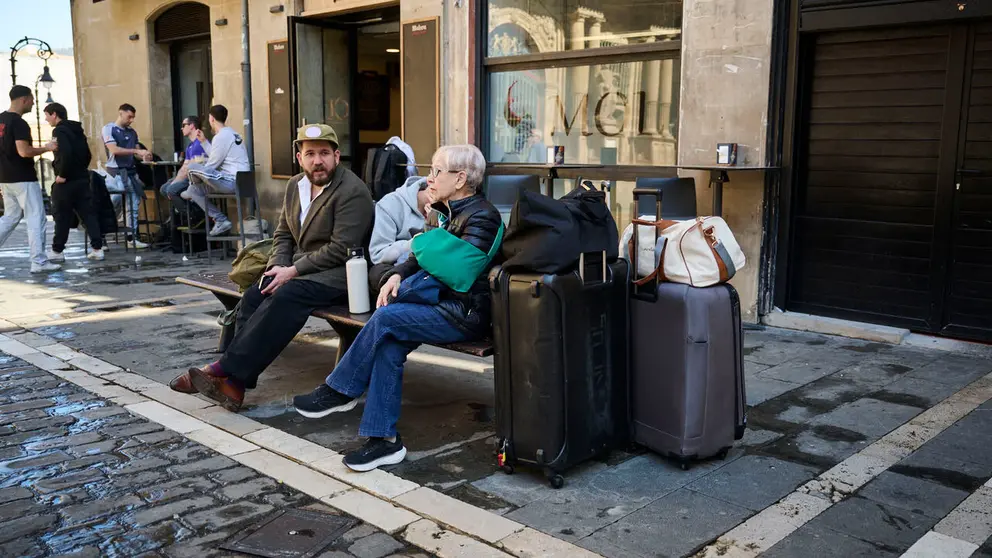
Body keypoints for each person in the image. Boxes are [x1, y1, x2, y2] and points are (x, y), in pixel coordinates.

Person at [293, 144, 502, 472]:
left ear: (461, 179)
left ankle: (340, 389)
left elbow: (457, 269)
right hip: (436, 305)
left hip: (463, 314)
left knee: (386, 318)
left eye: (437, 171)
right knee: (388, 344)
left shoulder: (484, 216)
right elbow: (421, 257)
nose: (429, 178)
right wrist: (398, 274)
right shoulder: (441, 211)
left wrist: (422, 243)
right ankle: (384, 441)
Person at [173, 124, 374, 410]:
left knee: (287, 296)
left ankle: (222, 369)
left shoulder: (352, 191)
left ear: (337, 156)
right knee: (257, 293)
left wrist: (292, 271)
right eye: (311, 154)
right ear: (299, 158)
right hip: (300, 269)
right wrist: (278, 266)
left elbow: (341, 249)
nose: (318, 161)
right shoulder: (295, 185)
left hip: (341, 274)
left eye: (325, 153)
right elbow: (283, 234)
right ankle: (235, 385)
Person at [0, 86, 61, 273]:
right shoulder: (18, 123)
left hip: (5, 178)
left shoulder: (1, 120)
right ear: (24, 99)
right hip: (23, 178)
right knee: (36, 218)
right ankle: (39, 262)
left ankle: (39, 261)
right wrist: (47, 148)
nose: (34, 103)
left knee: (10, 217)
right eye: (32, 99)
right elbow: (24, 151)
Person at [44, 102, 104, 262]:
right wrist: (80, 170)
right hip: (82, 179)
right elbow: (88, 155)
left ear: (54, 114)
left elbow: (66, 153)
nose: (46, 119)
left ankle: (57, 251)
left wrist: (62, 174)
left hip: (67, 181)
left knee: (61, 216)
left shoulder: (59, 131)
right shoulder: (77, 130)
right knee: (88, 215)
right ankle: (97, 249)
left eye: (47, 115)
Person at [182, 105, 250, 236]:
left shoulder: (221, 136)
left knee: (191, 167)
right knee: (193, 191)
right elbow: (217, 156)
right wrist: (203, 142)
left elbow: (212, 165)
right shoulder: (233, 133)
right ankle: (221, 220)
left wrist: (198, 169)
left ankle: (192, 184)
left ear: (211, 118)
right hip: (239, 181)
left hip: (231, 182)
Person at [368, 175, 429, 291]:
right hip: (397, 265)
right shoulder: (391, 203)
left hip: (430, 267)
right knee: (379, 273)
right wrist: (411, 244)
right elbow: (378, 254)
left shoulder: (453, 204)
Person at [102, 103, 150, 249]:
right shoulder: (109, 128)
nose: (131, 120)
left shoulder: (132, 132)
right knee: (114, 201)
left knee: (133, 205)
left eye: (133, 117)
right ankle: (101, 234)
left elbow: (137, 151)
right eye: (129, 117)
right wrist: (136, 152)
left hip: (130, 172)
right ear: (121, 113)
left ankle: (132, 237)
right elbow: (114, 150)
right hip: (115, 172)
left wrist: (145, 155)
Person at [160, 115, 210, 212]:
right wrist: (175, 181)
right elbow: (184, 167)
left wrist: (174, 184)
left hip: (197, 179)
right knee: (164, 188)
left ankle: (194, 214)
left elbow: (189, 169)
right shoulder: (190, 146)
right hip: (188, 176)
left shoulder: (199, 143)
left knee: (171, 190)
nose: (181, 128)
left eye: (183, 125)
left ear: (191, 126)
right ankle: (183, 213)